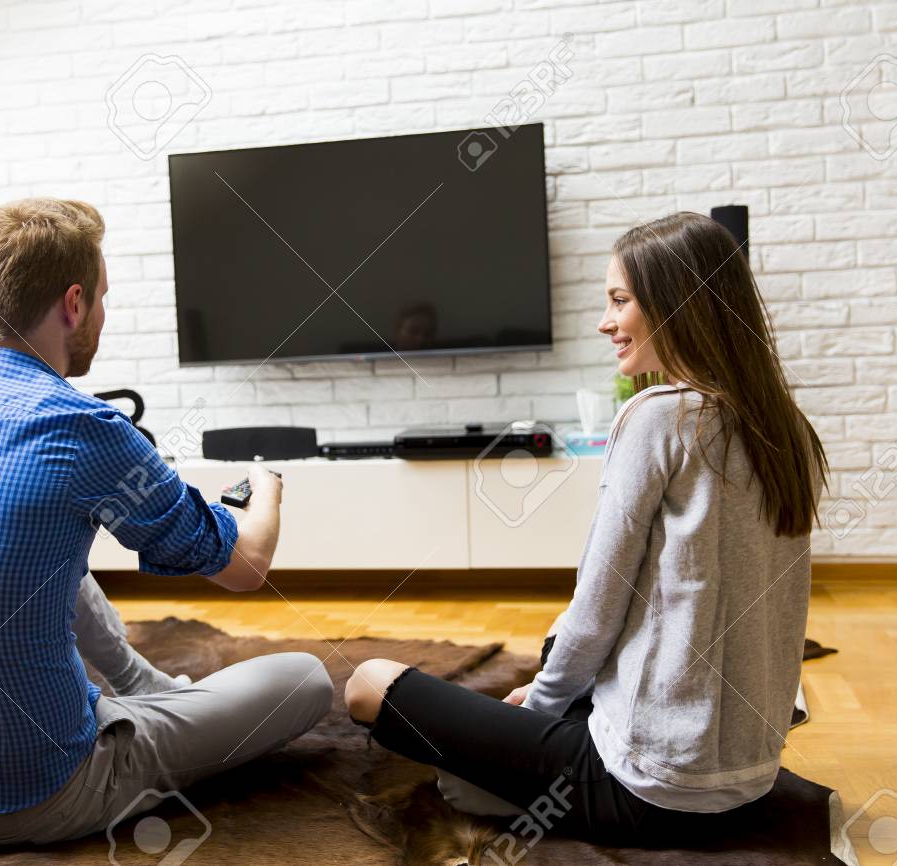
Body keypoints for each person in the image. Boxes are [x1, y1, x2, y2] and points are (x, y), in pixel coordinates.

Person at [345, 212, 829, 845]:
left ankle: (496, 777)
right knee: (556, 643)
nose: (606, 322)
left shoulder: (658, 419)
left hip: (647, 789)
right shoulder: (788, 427)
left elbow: (599, 608)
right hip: (750, 778)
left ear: (675, 304)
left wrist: (539, 711)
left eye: (619, 301)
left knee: (368, 684)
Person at [0, 197, 332, 845]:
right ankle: (137, 715)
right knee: (305, 677)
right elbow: (245, 565)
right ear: (73, 304)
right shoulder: (86, 430)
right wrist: (268, 487)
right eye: (103, 298)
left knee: (35, 556)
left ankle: (142, 685)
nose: (103, 315)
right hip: (41, 791)